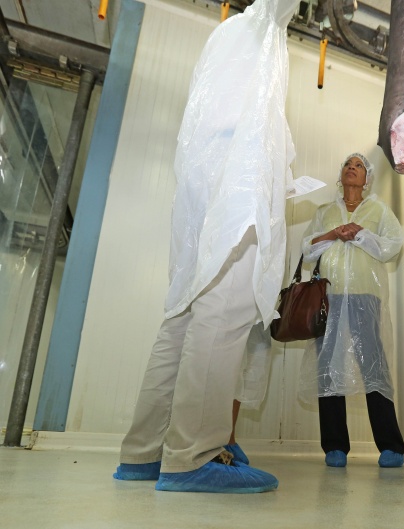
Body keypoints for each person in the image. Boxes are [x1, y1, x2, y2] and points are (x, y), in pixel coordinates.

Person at [113, 0, 300, 493]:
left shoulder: (225, 37)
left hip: (202, 190)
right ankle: (192, 456)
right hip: (235, 188)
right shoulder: (262, 21)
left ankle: (143, 454)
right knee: (224, 311)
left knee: (182, 317)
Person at [301, 153, 404, 468]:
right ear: (341, 175)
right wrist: (334, 233)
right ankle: (334, 446)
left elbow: (393, 245)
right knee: (328, 368)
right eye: (348, 164)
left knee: (373, 366)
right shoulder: (324, 212)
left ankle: (391, 446)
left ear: (367, 178)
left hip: (365, 296)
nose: (352, 167)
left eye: (359, 165)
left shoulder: (379, 210)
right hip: (329, 298)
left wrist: (360, 233)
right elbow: (307, 249)